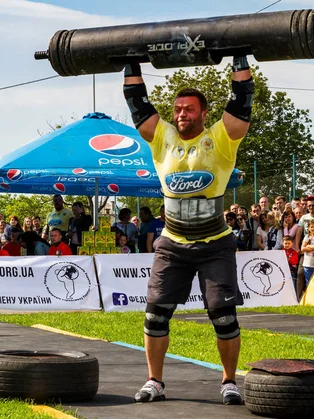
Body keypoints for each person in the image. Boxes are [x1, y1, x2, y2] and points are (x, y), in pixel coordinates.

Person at [123, 53, 252, 405]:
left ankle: (228, 382)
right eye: (178, 108)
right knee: (155, 313)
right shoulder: (161, 137)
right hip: (173, 243)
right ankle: (155, 381)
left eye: (189, 109)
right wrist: (131, 63)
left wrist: (239, 57)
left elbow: (241, 103)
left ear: (203, 113)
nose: (182, 114)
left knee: (223, 315)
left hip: (215, 244)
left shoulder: (221, 139)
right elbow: (138, 104)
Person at [301, 218, 314, 288]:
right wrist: (313, 247)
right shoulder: (307, 237)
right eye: (311, 227)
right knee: (309, 283)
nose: (313, 228)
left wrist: (308, 246)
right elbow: (302, 249)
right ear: (309, 228)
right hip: (307, 265)